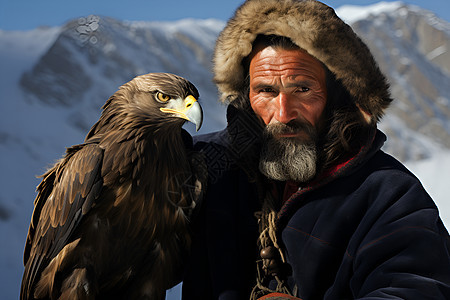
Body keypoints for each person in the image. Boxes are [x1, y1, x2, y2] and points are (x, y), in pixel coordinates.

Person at [182, 0, 450, 299]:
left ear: (338, 95)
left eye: (302, 89)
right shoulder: (203, 164)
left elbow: (417, 290)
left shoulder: (389, 194)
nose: (283, 114)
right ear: (245, 96)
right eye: (266, 91)